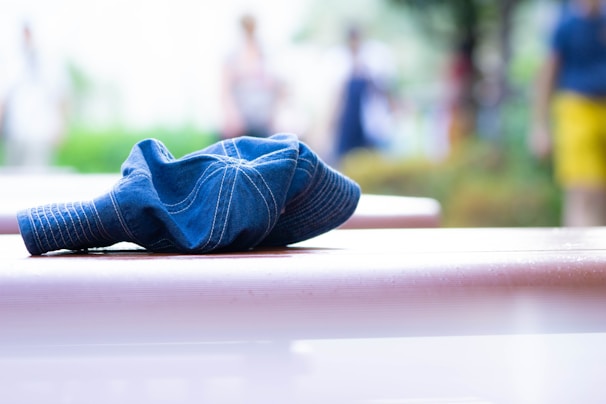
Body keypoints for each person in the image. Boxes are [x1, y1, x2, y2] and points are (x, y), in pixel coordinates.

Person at [530, 0, 606, 226]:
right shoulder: (565, 27)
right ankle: (576, 255)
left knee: (600, 193)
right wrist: (540, 127)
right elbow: (546, 77)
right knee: (582, 190)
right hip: (576, 108)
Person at [1, 22, 68, 169]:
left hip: (40, 131)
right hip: (15, 131)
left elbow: (61, 97)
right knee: (12, 176)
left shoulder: (50, 61)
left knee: (37, 175)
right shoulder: (12, 61)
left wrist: (60, 127)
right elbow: (4, 98)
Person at [330, 24, 397, 165]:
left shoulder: (372, 61)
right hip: (350, 121)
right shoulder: (341, 63)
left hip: (370, 122)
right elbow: (338, 97)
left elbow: (383, 89)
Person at [220, 13, 284, 139]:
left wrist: (275, 115)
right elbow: (224, 90)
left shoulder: (266, 54)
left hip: (264, 121)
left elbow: (279, 87)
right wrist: (232, 116)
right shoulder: (232, 56)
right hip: (240, 121)